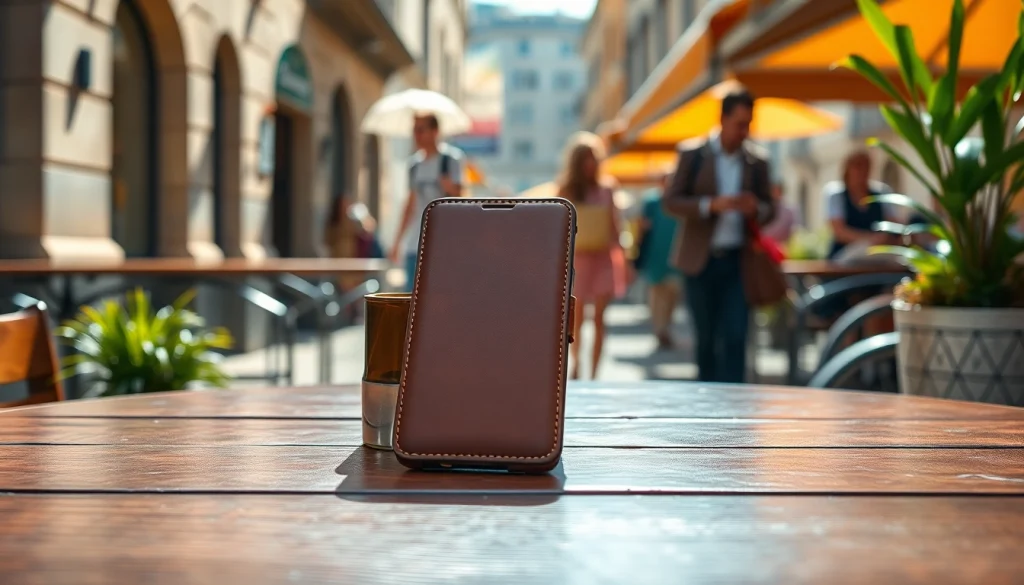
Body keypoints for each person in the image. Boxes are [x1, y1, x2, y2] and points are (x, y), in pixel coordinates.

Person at [662, 89, 775, 384]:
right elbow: (671, 201)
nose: (744, 131)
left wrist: (756, 208)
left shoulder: (757, 161)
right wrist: (709, 205)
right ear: (723, 119)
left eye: (749, 124)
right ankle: (708, 404)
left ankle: (735, 409)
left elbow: (770, 209)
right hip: (700, 261)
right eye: (740, 124)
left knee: (737, 336)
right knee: (706, 338)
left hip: (739, 261)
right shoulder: (693, 154)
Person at [559, 135, 627, 380]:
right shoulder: (566, 190)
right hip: (577, 260)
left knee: (599, 318)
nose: (590, 163)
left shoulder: (607, 188)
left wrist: (625, 261)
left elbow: (616, 226)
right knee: (576, 319)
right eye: (585, 159)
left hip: (603, 258)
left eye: (593, 158)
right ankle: (577, 362)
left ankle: (595, 372)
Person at [390, 113, 464, 286]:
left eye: (421, 130)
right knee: (412, 299)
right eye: (414, 130)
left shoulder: (451, 159)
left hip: (443, 243)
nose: (416, 135)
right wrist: (397, 242)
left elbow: (461, 200)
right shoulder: (414, 165)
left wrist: (448, 186)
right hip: (415, 244)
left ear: (435, 131)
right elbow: (410, 205)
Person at [635, 172, 681, 350]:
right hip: (656, 254)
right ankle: (660, 328)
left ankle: (665, 326)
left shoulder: (678, 202)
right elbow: (642, 226)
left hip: (674, 254)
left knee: (672, 294)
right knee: (657, 294)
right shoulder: (652, 201)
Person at [828, 150, 900, 260]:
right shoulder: (837, 195)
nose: (862, 171)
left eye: (866, 166)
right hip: (844, 253)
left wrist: (884, 238)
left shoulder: (882, 193)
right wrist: (869, 239)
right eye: (858, 166)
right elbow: (839, 231)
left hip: (878, 252)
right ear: (848, 169)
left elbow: (893, 224)